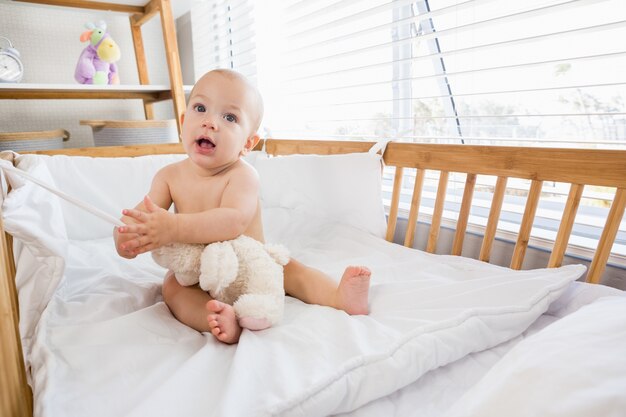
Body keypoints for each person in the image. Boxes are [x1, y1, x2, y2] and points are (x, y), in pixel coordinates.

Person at [114, 69, 371, 344]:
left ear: (248, 143)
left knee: (291, 270)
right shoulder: (168, 176)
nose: (210, 123)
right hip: (198, 274)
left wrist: (172, 227)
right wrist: (128, 237)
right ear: (183, 121)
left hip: (249, 269)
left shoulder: (242, 175)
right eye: (200, 108)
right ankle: (217, 318)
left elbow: (232, 221)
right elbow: (141, 217)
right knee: (173, 287)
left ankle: (338, 296)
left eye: (229, 117)